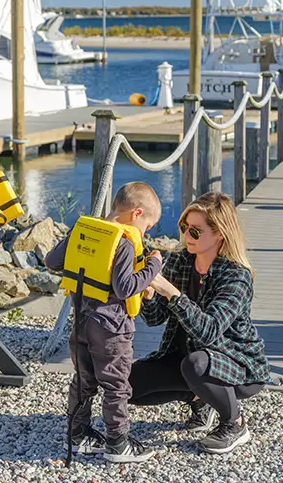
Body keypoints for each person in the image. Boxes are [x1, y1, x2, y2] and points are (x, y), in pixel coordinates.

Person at [129, 191, 270, 455]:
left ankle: (235, 423)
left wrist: (170, 291)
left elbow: (209, 332)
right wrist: (149, 293)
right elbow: (155, 318)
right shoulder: (182, 260)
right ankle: (199, 398)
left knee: (196, 364)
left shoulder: (236, 276)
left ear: (219, 234)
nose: (185, 237)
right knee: (129, 386)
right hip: (186, 359)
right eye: (184, 228)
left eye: (195, 231)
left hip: (237, 365)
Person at [45, 182, 164, 463]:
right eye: (147, 226)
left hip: (80, 321)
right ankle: (118, 443)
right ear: (136, 214)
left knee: (84, 380)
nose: (145, 233)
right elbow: (125, 288)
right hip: (112, 328)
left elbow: (52, 261)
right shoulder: (123, 241)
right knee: (116, 385)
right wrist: (153, 266)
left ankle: (78, 434)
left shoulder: (83, 230)